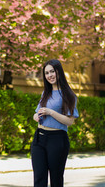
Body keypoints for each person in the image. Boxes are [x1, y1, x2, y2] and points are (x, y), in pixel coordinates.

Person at [31, 59, 79, 187]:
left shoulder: (68, 95)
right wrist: (36, 116)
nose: (49, 75)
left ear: (59, 72)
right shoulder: (45, 93)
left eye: (52, 71)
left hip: (57, 140)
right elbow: (36, 113)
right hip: (39, 138)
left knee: (56, 180)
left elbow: (70, 121)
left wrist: (51, 112)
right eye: (46, 73)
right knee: (39, 179)